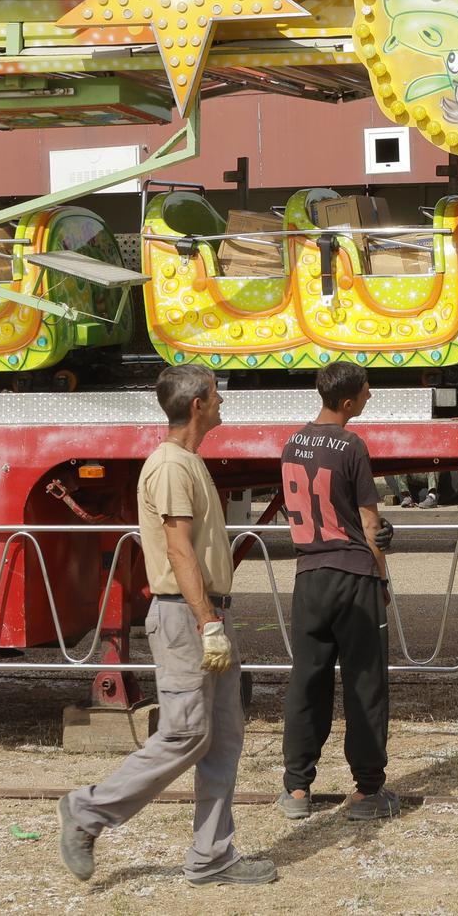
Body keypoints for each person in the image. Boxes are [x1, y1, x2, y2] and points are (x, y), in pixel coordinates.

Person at [57, 365, 274, 886]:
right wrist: (207, 624)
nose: (223, 403)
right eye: (217, 395)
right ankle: (87, 812)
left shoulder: (187, 461)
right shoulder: (172, 466)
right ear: (198, 404)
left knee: (221, 738)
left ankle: (212, 856)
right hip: (188, 615)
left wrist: (213, 618)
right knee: (185, 734)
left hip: (203, 612)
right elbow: (178, 549)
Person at [278, 360, 398, 821]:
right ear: (347, 401)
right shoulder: (351, 446)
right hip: (353, 574)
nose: (370, 396)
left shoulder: (292, 444)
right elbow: (370, 524)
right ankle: (368, 791)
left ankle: (296, 789)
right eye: (366, 391)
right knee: (365, 682)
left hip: (309, 574)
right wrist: (382, 577)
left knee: (307, 682)